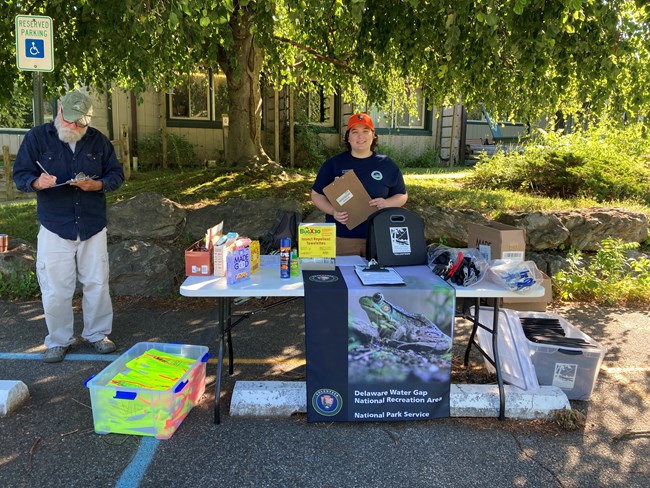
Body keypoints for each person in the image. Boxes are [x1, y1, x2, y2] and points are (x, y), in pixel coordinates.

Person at [13, 90, 125, 363]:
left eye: (81, 122)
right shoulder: (37, 137)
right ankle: (59, 340)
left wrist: (97, 184)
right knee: (55, 287)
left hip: (92, 223)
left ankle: (97, 334)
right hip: (55, 224)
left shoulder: (98, 141)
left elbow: (116, 175)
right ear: (59, 110)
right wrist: (38, 182)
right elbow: (20, 175)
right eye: (71, 120)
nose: (75, 127)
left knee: (97, 283)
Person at [311, 113, 408, 256]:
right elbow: (316, 195)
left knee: (379, 278)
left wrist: (387, 203)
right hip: (343, 238)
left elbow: (402, 195)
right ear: (348, 137)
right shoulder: (334, 164)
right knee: (345, 277)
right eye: (354, 132)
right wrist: (333, 211)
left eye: (365, 131)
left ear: (373, 135)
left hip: (379, 238)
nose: (360, 137)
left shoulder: (387, 164)